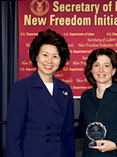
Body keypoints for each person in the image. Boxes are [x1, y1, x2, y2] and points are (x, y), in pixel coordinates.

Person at [7, 29, 75, 157]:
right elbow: (13, 136)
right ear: (36, 56)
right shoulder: (22, 88)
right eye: (45, 55)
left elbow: (68, 133)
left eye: (55, 56)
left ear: (60, 60)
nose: (49, 61)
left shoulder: (65, 89)